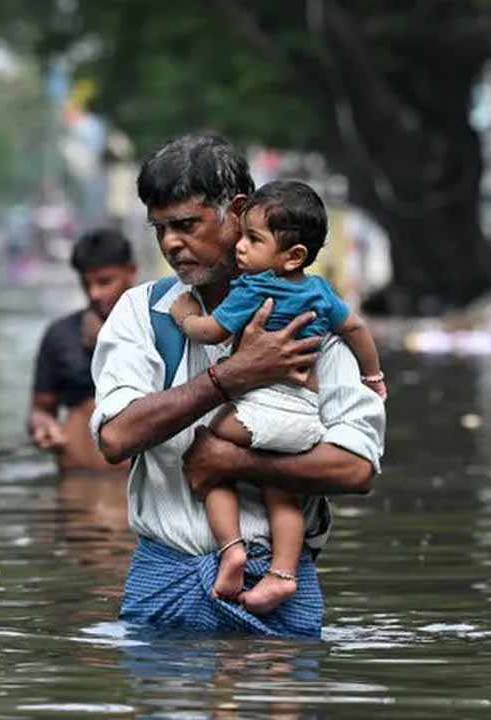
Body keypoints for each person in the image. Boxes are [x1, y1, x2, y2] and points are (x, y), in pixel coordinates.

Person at [90, 134, 385, 637]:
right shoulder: (144, 313)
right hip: (163, 588)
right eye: (159, 229)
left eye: (186, 225)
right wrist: (232, 377)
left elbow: (357, 468)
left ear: (238, 211)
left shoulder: (313, 316)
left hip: (279, 590)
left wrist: (234, 462)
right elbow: (116, 437)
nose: (171, 244)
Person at [167, 180, 386, 614]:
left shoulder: (252, 290)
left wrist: (185, 316)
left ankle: (231, 549)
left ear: (293, 255)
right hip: (306, 417)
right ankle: (283, 574)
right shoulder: (322, 292)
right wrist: (373, 375)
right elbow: (357, 330)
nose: (241, 249)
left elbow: (213, 332)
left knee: (206, 451)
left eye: (252, 239)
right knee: (281, 486)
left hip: (262, 410)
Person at [29, 228, 137, 472]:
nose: (94, 293)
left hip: (140, 484)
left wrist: (110, 343)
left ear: (131, 273)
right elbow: (40, 409)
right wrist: (44, 426)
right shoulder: (60, 335)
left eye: (105, 282)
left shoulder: (160, 327)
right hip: (77, 479)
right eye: (86, 283)